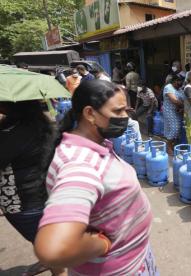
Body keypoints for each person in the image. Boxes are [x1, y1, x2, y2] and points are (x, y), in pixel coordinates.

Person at [34, 80, 157, 275]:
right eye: (117, 112)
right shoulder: (81, 164)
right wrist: (100, 244)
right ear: (90, 114)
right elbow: (53, 249)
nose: (125, 117)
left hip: (137, 258)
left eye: (126, 110)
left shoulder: (91, 144)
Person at [0, 100, 64, 276]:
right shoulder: (44, 125)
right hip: (45, 195)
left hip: (23, 203)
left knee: (51, 251)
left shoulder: (10, 135)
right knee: (47, 240)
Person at [163, 75, 185, 154]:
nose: (181, 83)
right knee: (174, 128)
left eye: (181, 81)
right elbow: (174, 100)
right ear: (174, 81)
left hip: (178, 111)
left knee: (178, 129)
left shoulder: (180, 89)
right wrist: (184, 106)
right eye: (179, 81)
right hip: (169, 111)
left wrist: (182, 108)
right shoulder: (168, 87)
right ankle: (168, 146)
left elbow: (184, 99)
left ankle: (172, 145)